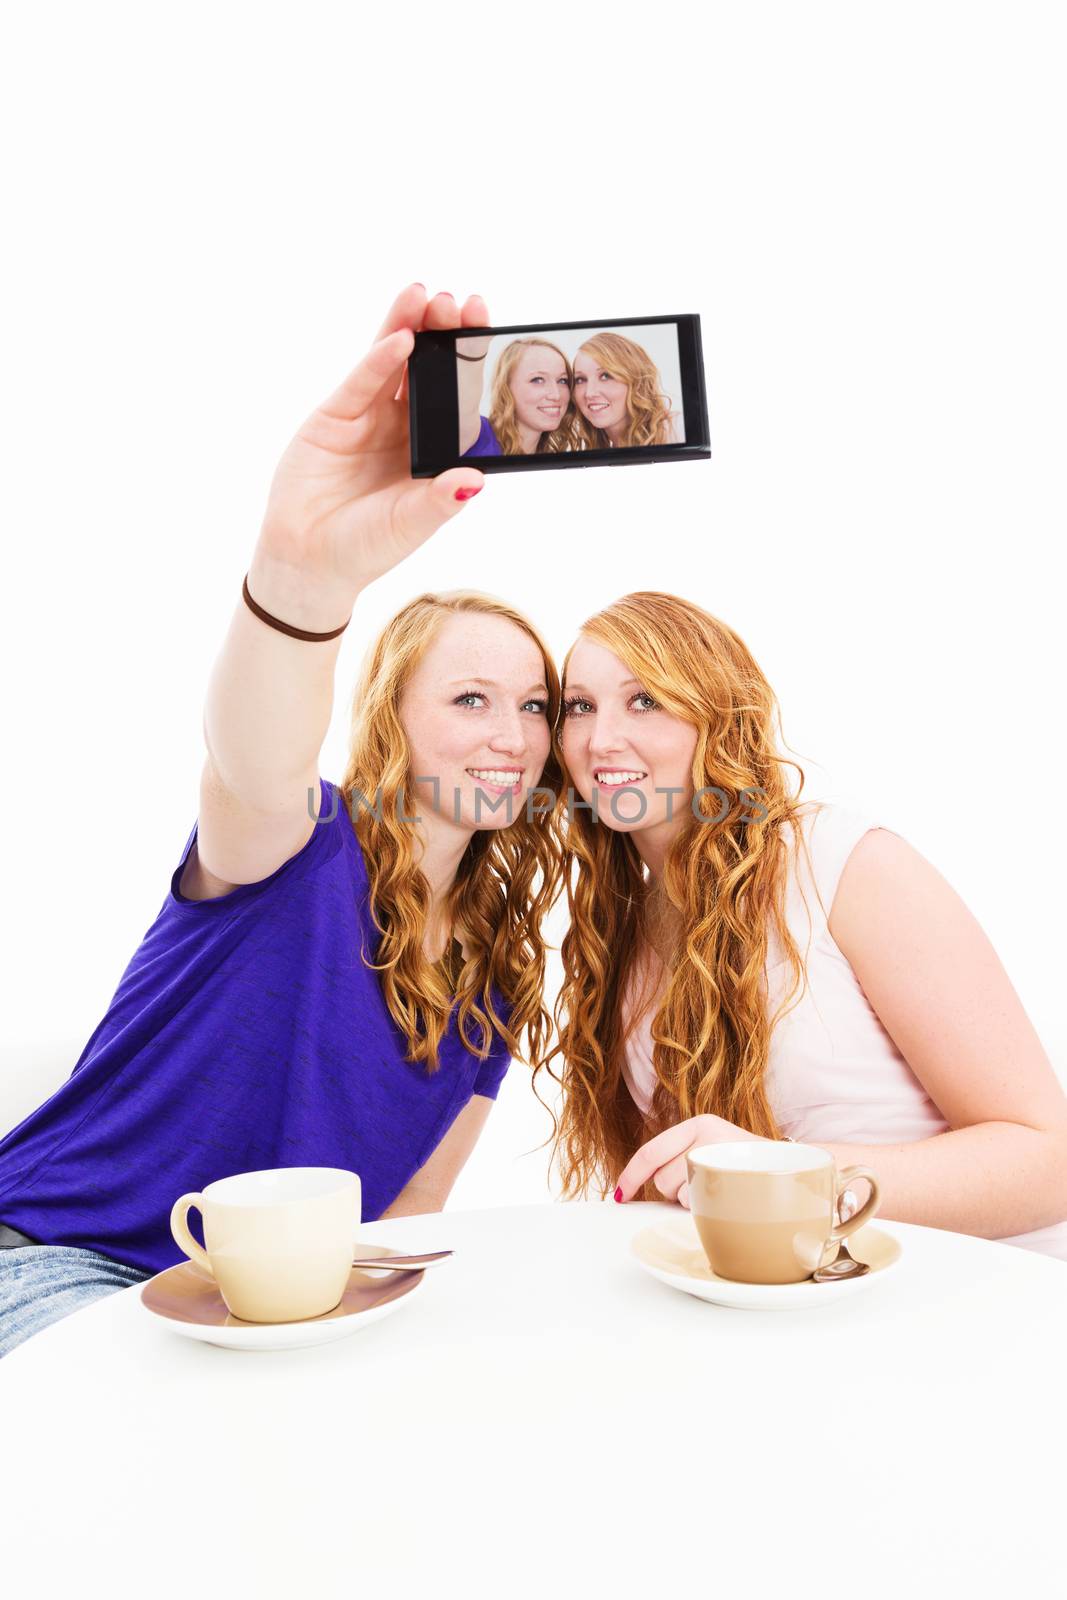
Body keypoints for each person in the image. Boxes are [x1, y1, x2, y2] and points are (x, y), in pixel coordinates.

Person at [0, 284, 565, 1358]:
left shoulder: (498, 975)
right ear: (389, 721)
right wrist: (305, 580)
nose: (511, 734)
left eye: (531, 704)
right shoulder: (303, 840)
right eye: (468, 699)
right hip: (56, 1263)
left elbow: (401, 1224)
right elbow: (248, 759)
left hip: (255, 1315)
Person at [539, 590, 1067, 1258]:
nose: (599, 739)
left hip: (972, 1302)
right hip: (813, 1315)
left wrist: (792, 1180)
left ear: (718, 719)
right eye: (579, 706)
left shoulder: (844, 865)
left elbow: (1050, 1165)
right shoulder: (629, 931)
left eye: (644, 700)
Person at [459, 335, 576, 457]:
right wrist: (473, 349)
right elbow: (465, 401)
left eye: (563, 381)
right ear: (506, 387)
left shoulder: (553, 461)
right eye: (538, 380)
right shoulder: (476, 435)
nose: (556, 395)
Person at [570, 332, 683, 450]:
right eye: (580, 379)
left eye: (605, 376)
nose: (590, 393)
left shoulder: (678, 429)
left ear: (635, 381)